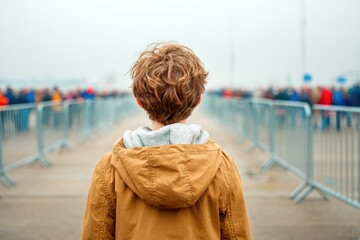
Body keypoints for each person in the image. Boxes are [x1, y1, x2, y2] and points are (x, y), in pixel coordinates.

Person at [81, 43, 252, 240]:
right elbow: (237, 234)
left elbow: (97, 235)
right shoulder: (223, 166)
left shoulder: (109, 168)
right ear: (197, 101)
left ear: (139, 101)